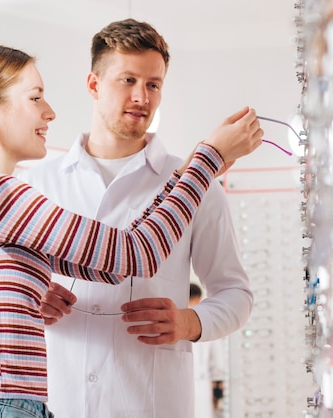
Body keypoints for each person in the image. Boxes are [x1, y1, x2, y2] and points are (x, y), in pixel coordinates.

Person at [0, 44, 263, 418]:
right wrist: (209, 160)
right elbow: (135, 254)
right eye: (35, 97)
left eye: (153, 84)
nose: (50, 112)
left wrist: (182, 176)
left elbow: (111, 268)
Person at [18, 19, 256, 417]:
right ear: (94, 85)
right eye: (127, 80)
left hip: (149, 403)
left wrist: (189, 322)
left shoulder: (197, 186)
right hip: (54, 400)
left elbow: (236, 294)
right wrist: (31, 296)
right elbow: (6, 284)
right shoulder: (35, 183)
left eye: (153, 84)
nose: (141, 97)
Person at [189, 283, 228, 418]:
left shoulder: (174, 321)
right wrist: (218, 384)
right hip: (201, 383)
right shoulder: (208, 322)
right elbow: (219, 361)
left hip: (179, 383)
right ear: (197, 299)